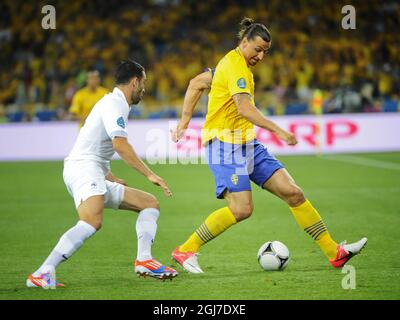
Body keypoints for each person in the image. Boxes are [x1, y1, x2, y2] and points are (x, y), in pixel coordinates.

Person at [170, 18, 367, 273]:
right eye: (257, 49)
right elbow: (244, 107)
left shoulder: (228, 64)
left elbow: (196, 83)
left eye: (265, 51)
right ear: (244, 42)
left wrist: (185, 120)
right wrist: (279, 130)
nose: (261, 56)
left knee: (293, 192)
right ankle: (186, 249)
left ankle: (334, 252)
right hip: (223, 145)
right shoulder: (236, 67)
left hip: (246, 144)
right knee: (242, 209)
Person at [27, 60, 177, 289]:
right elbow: (120, 145)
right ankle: (43, 272)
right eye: (143, 83)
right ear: (135, 82)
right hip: (83, 169)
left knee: (149, 203)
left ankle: (144, 260)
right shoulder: (115, 105)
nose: (145, 89)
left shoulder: (115, 104)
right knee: (91, 221)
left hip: (93, 169)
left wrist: (110, 176)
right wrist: (150, 174)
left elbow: (97, 146)